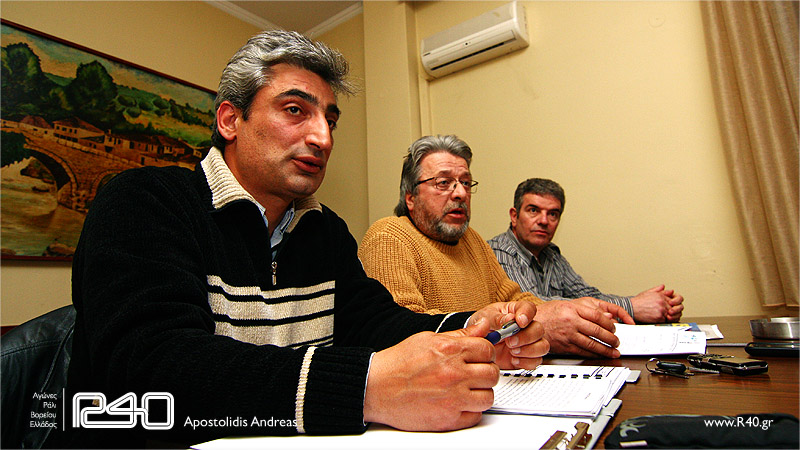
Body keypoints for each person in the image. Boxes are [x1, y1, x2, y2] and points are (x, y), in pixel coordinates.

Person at [58, 32, 549, 448]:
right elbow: (149, 370)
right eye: (295, 110)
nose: (323, 138)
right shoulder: (142, 202)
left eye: (329, 121)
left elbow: (373, 323)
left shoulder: (324, 228)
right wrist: (365, 387)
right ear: (230, 120)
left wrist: (469, 331)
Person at [358, 135, 635, 362]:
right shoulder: (389, 236)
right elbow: (403, 333)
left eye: (465, 183)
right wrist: (532, 323)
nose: (460, 193)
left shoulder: (472, 241)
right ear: (410, 197)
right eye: (443, 183)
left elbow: (514, 297)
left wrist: (568, 311)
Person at [488, 178, 684, 323]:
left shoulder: (551, 255)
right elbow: (533, 305)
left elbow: (586, 294)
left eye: (553, 214)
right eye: (533, 210)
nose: (544, 221)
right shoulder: (499, 252)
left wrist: (645, 304)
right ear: (514, 216)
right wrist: (632, 307)